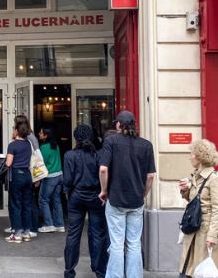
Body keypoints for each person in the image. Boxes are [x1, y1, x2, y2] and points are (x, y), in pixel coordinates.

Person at [99, 110, 155, 278]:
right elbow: (150, 176)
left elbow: (103, 169)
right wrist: (143, 194)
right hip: (136, 201)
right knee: (134, 243)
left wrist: (103, 190)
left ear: (118, 125)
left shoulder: (111, 141)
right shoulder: (146, 145)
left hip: (115, 199)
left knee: (116, 243)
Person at [178, 139, 218, 278]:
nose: (190, 157)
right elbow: (196, 200)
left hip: (206, 230)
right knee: (190, 269)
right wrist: (185, 190)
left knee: (206, 270)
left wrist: (212, 236)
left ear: (201, 157)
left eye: (192, 154)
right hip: (195, 227)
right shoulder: (198, 176)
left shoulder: (215, 179)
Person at [63, 124, 108, 278]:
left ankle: (69, 271)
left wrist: (67, 192)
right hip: (96, 197)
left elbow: (67, 179)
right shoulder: (99, 155)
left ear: (76, 138)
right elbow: (104, 175)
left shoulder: (69, 155)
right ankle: (100, 271)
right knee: (98, 235)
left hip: (76, 196)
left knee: (73, 235)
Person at [4, 114, 40, 238]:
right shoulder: (28, 144)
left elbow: (9, 163)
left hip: (17, 175)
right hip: (27, 175)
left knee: (15, 204)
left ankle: (17, 233)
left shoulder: (12, 145)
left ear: (16, 130)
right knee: (27, 204)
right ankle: (26, 231)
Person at [38, 127, 65, 233]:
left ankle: (48, 224)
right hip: (59, 175)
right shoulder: (56, 146)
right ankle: (60, 224)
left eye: (41, 133)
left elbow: (41, 162)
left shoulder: (44, 148)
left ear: (46, 136)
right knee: (57, 200)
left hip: (49, 177)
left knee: (43, 200)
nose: (39, 134)